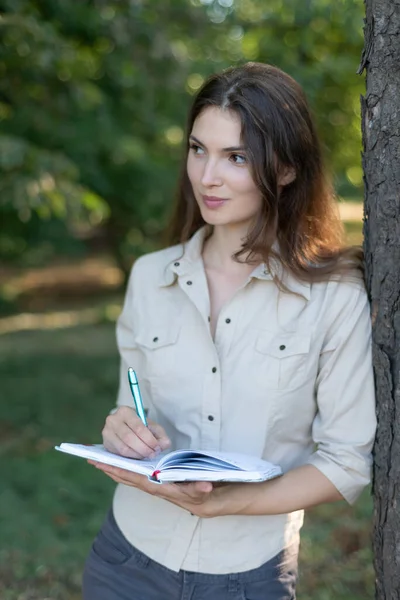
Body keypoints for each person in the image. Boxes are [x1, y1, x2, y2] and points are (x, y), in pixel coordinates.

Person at [82, 62, 376, 600]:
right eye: (198, 149)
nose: (206, 176)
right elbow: (133, 407)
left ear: (286, 169)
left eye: (235, 157)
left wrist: (224, 502)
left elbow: (346, 463)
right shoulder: (151, 276)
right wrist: (123, 432)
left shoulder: (336, 297)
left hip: (247, 577)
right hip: (125, 560)